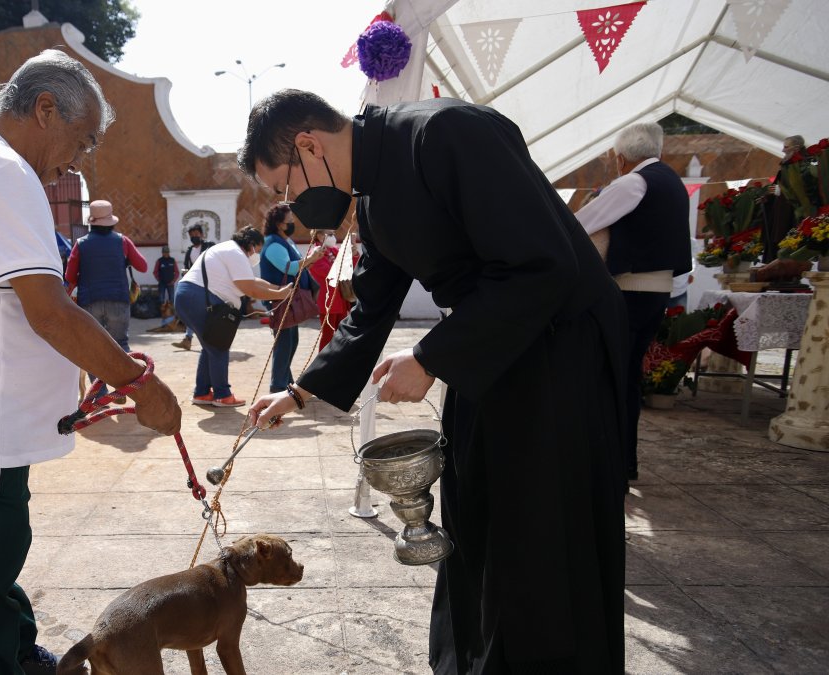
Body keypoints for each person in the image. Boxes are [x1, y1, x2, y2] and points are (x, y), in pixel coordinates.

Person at [242, 90, 627, 673]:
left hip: (557, 351)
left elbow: (543, 264)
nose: (291, 203)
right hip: (491, 351)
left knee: (541, 529)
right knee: (476, 513)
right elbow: (372, 307)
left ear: (308, 145)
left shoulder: (446, 133)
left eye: (285, 187)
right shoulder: (372, 198)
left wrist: (429, 357)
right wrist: (299, 392)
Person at [0, 49, 181, 674]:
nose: (74, 164)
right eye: (79, 143)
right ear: (45, 109)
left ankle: (24, 659)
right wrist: (139, 382)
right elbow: (49, 311)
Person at [575, 122, 691, 485]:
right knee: (626, 378)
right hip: (655, 293)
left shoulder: (633, 182)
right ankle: (623, 462)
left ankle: (613, 465)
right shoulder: (671, 181)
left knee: (611, 378)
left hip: (628, 293)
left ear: (619, 158)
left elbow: (580, 224)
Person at [173, 226, 291, 407]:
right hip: (198, 298)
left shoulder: (228, 249)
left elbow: (252, 281)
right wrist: (280, 295)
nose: (256, 255)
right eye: (257, 251)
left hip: (190, 297)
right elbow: (249, 289)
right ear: (251, 245)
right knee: (218, 346)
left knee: (210, 345)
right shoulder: (236, 253)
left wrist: (277, 289)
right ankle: (223, 395)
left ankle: (202, 392)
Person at [63, 199, 149, 399]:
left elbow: (69, 277)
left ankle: (99, 392)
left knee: (94, 346)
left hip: (90, 301)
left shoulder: (81, 245)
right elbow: (143, 266)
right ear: (112, 221)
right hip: (118, 300)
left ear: (92, 222)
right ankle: (124, 390)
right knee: (121, 345)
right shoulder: (122, 242)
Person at [259, 203, 325, 393]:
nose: (293, 223)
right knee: (284, 342)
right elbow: (290, 268)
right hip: (281, 300)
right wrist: (311, 258)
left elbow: (298, 266)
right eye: (290, 220)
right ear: (279, 224)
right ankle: (278, 385)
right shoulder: (272, 244)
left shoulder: (286, 241)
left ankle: (285, 381)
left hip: (291, 300)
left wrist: (311, 260)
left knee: (290, 341)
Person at [306, 229, 353, 351]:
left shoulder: (333, 250)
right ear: (320, 235)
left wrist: (353, 253)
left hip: (340, 299)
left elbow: (349, 266)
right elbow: (330, 273)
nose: (333, 237)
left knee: (341, 334)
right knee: (328, 335)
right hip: (327, 301)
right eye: (330, 234)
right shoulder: (315, 253)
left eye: (333, 234)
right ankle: (323, 364)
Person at [172, 223, 214, 350]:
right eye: (192, 235)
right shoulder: (190, 250)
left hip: (209, 284)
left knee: (209, 311)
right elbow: (187, 266)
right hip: (195, 284)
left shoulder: (209, 246)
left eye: (196, 234)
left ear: (201, 234)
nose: (194, 237)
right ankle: (188, 338)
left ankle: (209, 338)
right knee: (192, 311)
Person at [153, 244, 178, 329]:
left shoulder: (172, 260)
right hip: (162, 284)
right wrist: (159, 280)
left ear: (169, 252)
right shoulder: (159, 261)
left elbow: (177, 272)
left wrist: (173, 281)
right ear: (162, 253)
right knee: (162, 301)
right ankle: (163, 320)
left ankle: (171, 320)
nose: (166, 254)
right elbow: (155, 272)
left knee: (171, 300)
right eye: (164, 252)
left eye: (167, 252)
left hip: (170, 284)